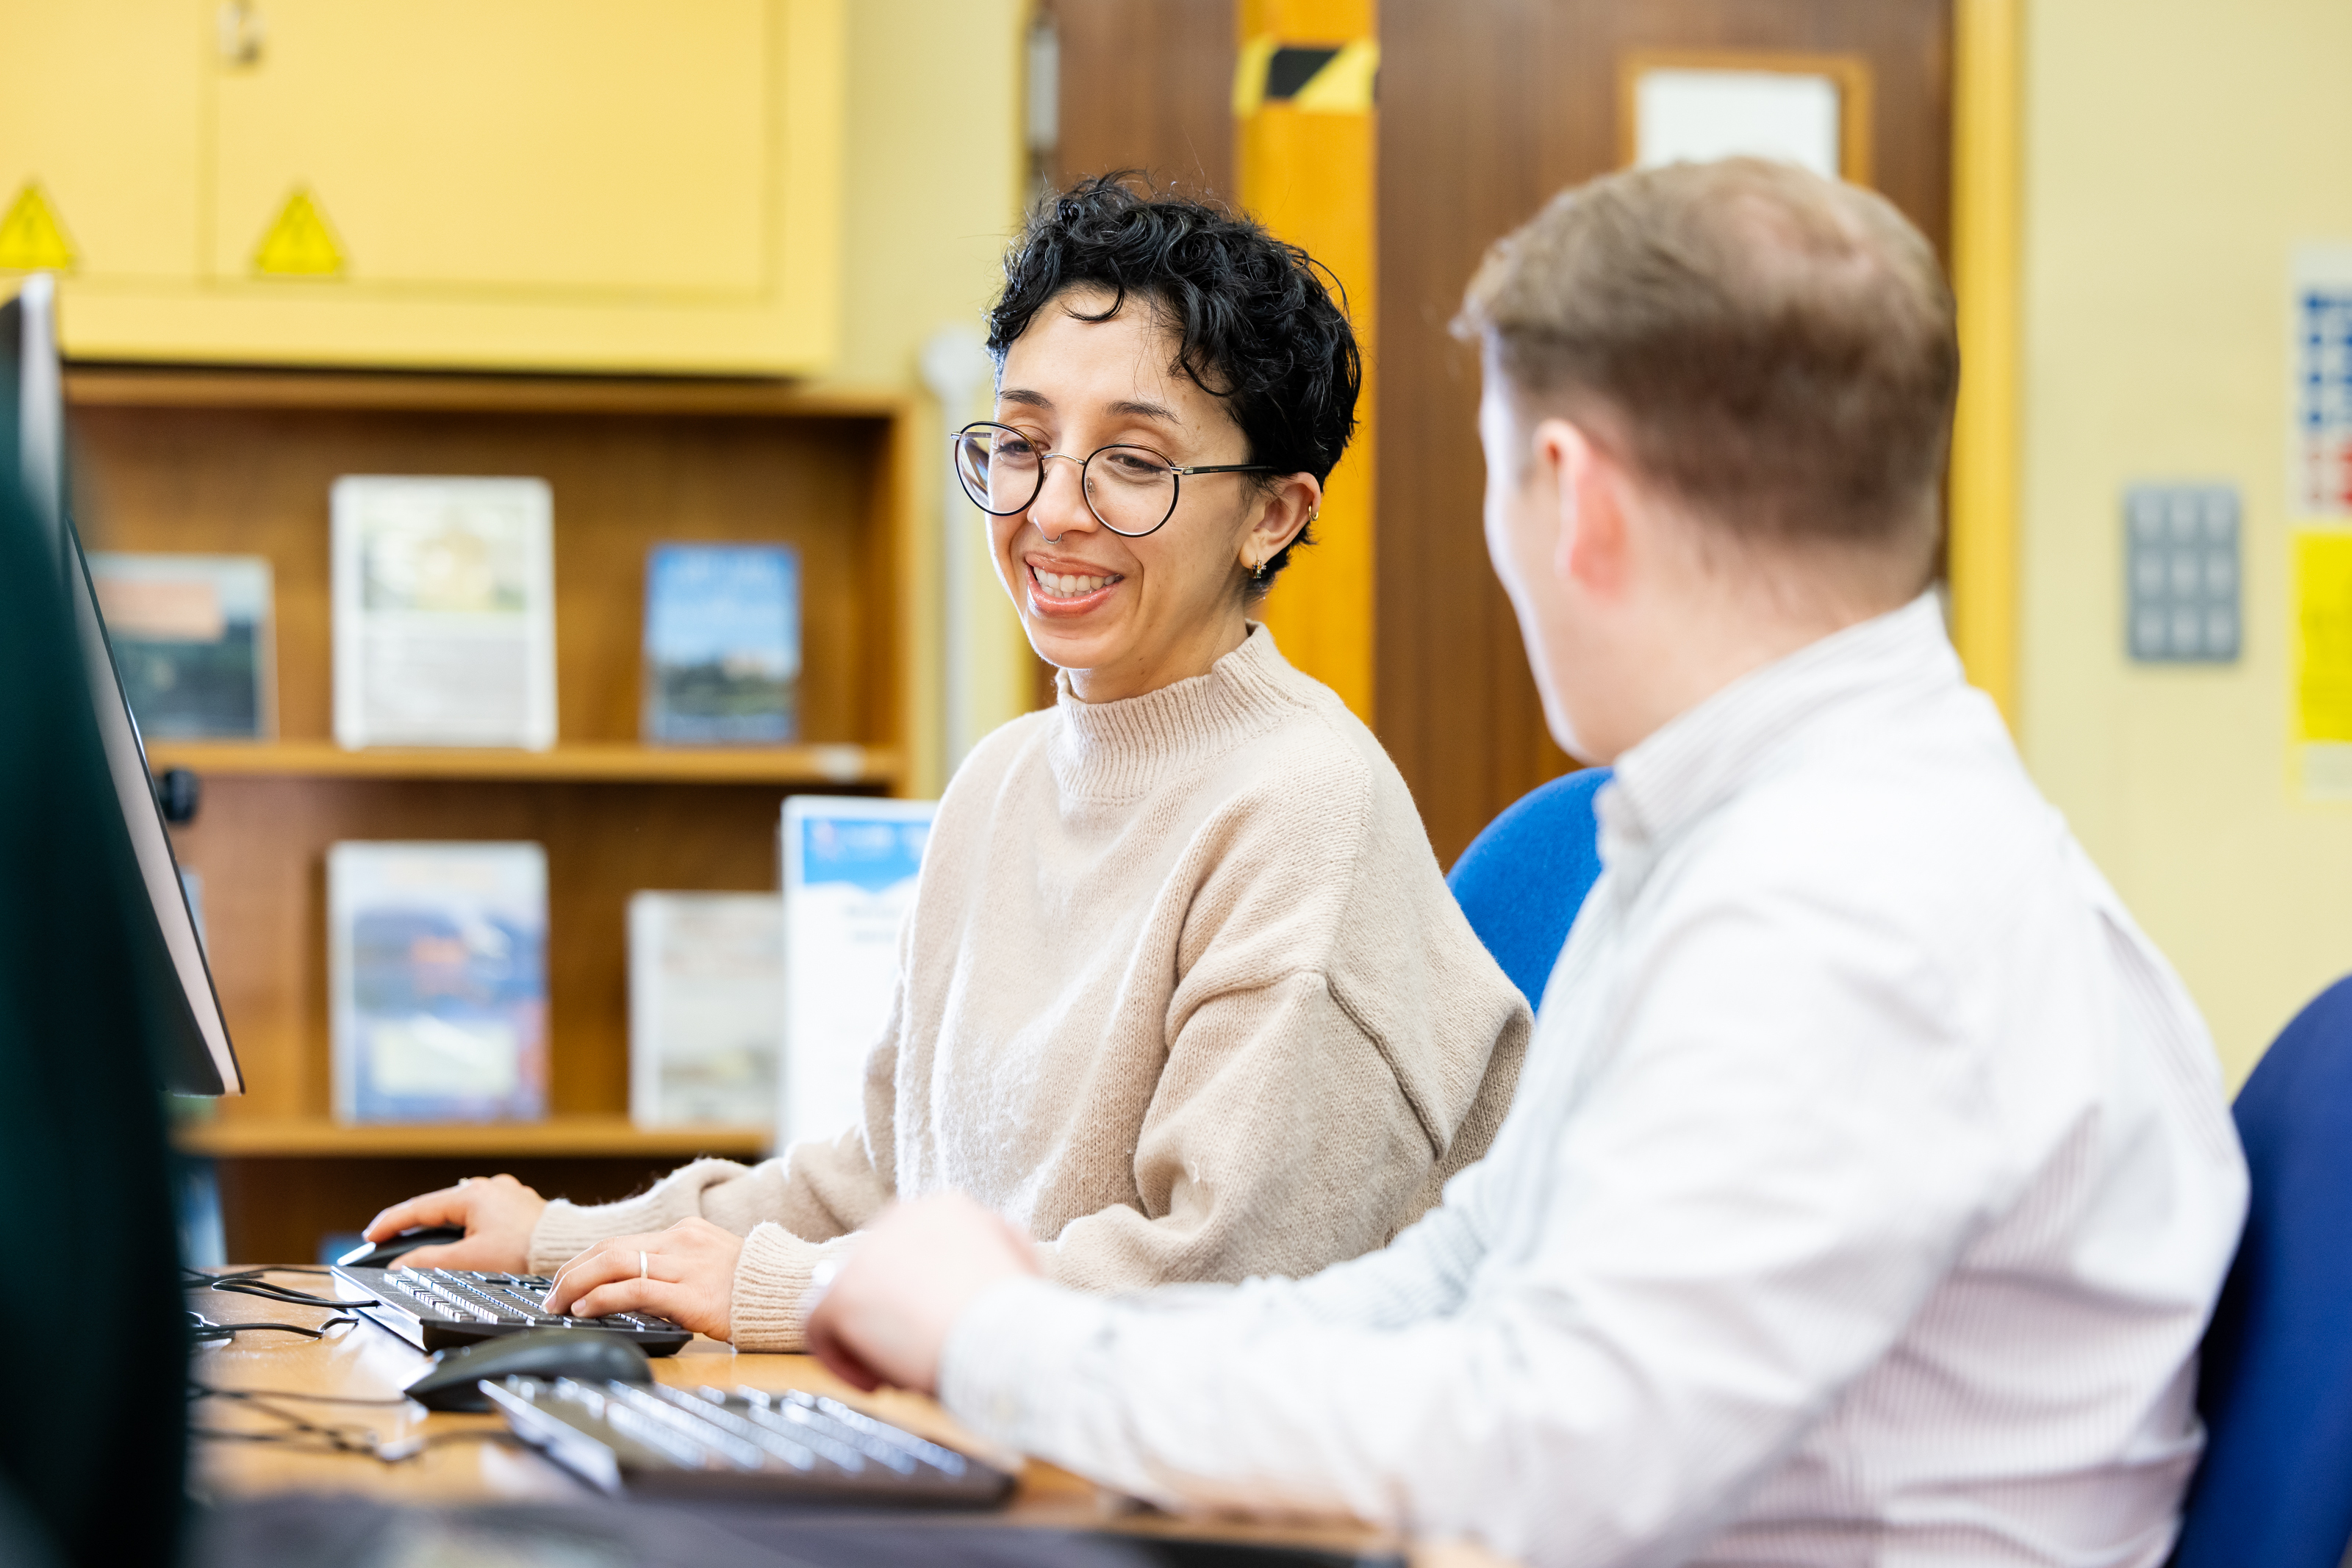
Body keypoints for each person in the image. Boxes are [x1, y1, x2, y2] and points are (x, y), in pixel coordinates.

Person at [802, 159, 2251, 1567]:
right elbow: (1454, 1280)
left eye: (1500, 479)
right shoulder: (1749, 836)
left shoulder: (1840, 909)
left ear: (1574, 493)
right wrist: (1038, 1335)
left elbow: (1537, 1456)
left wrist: (1000, 1341)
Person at [358, 176, 1530, 1350]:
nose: (1052, 510)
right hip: (1004, 1435)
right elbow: (880, 1184)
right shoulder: (1004, 778)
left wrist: (795, 1293)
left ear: (1273, 515)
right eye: (1021, 442)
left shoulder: (1305, 806)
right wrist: (564, 1239)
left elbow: (1215, 1284)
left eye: (1132, 462)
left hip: (1209, 1498)